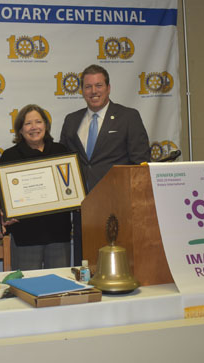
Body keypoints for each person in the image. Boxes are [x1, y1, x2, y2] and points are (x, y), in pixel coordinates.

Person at [60, 64, 150, 263]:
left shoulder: (128, 117)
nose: (93, 91)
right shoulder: (71, 120)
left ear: (108, 88)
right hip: (83, 210)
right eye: (88, 86)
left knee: (120, 264)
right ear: (82, 91)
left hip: (119, 207)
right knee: (86, 264)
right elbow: (63, 165)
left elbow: (141, 164)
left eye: (99, 85)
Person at [0, 104, 72, 270]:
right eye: (28, 123)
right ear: (20, 130)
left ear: (46, 125)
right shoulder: (10, 156)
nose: (34, 127)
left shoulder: (61, 151)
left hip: (58, 233)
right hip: (25, 235)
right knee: (25, 283)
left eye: (38, 122)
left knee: (59, 283)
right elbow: (1, 195)